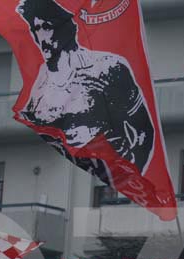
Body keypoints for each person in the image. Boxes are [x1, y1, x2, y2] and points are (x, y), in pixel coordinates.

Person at [16, 0, 155, 174]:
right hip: (64, 173)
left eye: (47, 27)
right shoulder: (41, 81)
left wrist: (135, 174)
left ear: (65, 29)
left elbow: (142, 128)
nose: (42, 36)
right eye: (36, 29)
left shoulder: (107, 68)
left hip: (112, 171)